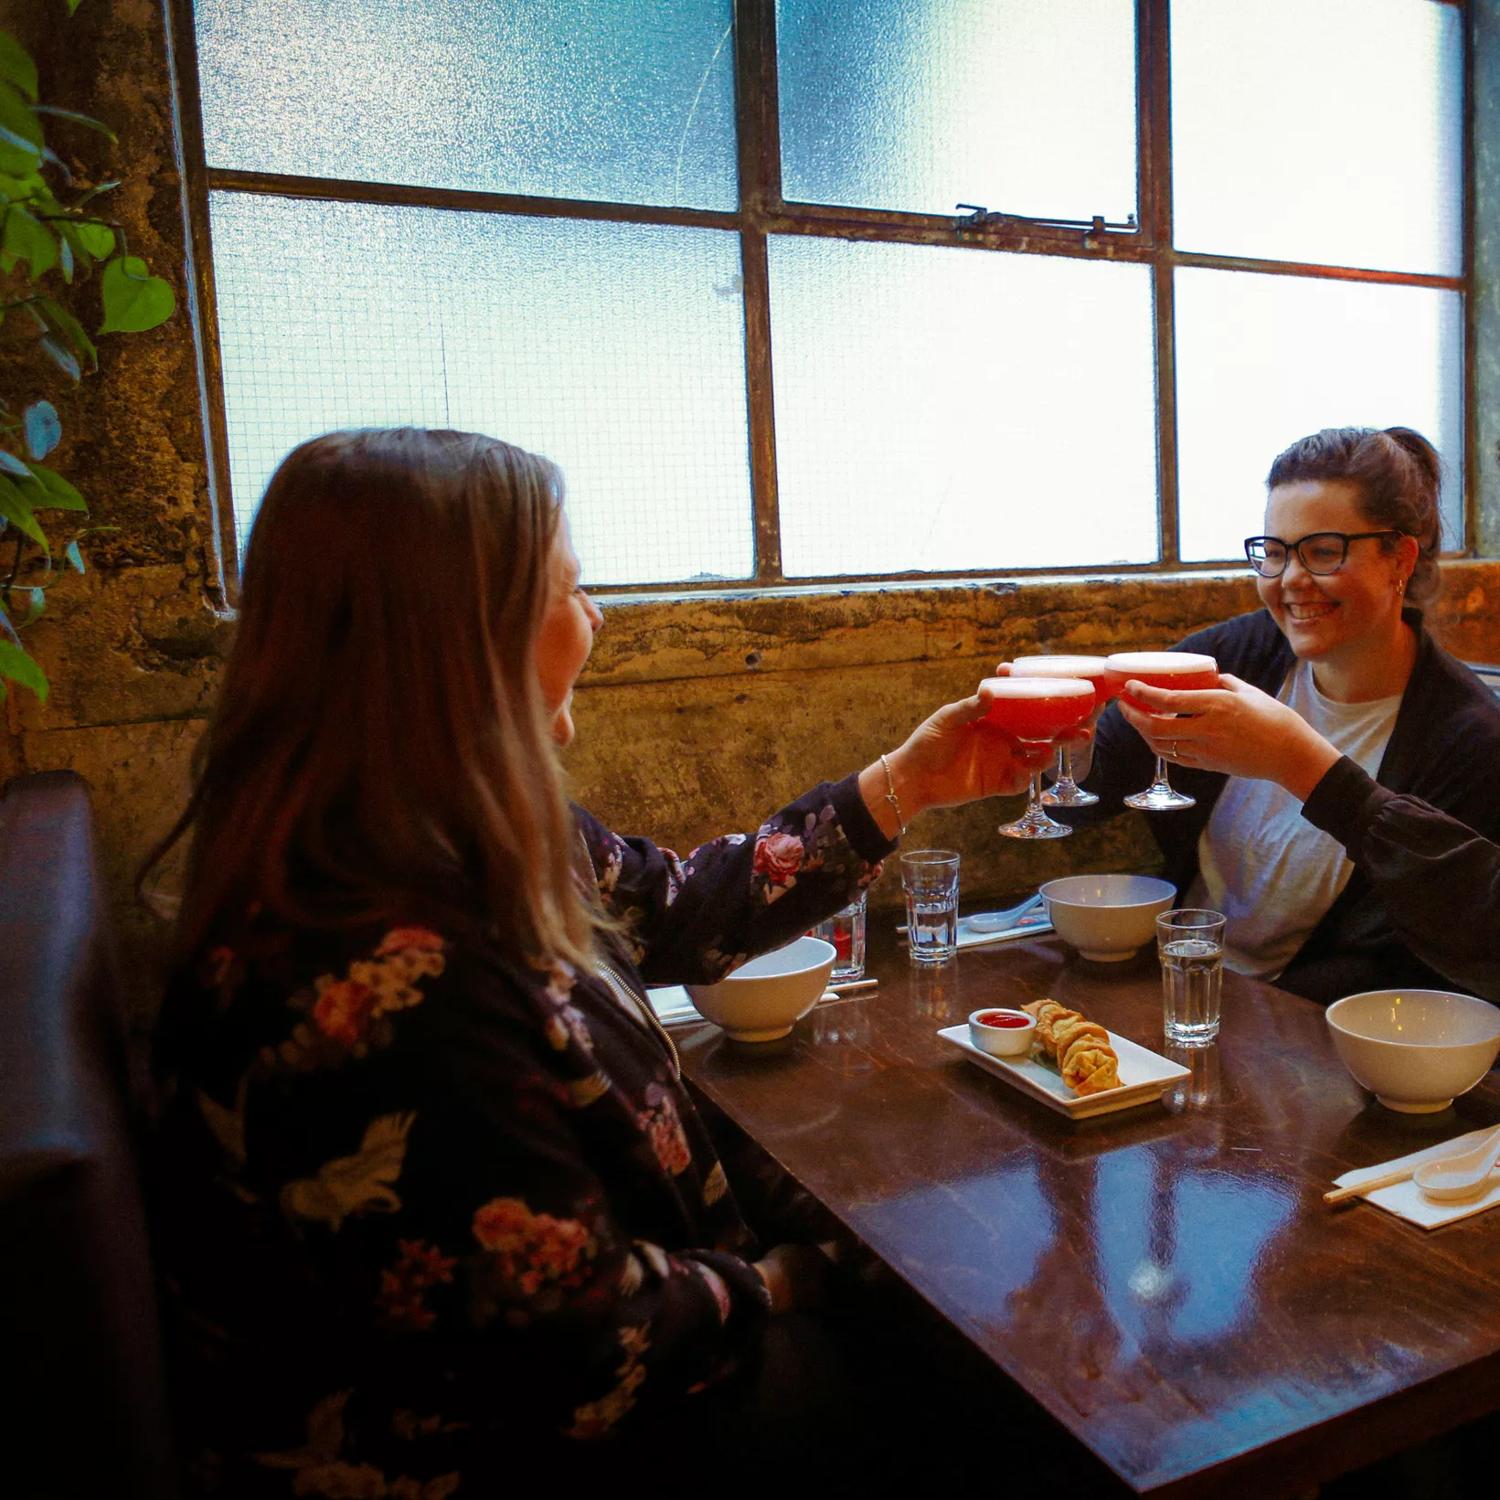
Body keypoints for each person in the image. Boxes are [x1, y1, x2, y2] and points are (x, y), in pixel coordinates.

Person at [145, 427, 1052, 1495]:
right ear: (461, 636)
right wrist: (787, 1281)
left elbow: (679, 911)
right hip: (523, 1451)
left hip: (623, 1354)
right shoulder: (377, 984)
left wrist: (912, 778)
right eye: (572, 588)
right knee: (1001, 1395)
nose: (598, 618)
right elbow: (580, 1360)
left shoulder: (443, 822)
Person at [1074, 425, 1500, 1004]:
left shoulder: (1467, 740)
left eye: (1323, 551)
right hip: (1179, 985)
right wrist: (1056, 743)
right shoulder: (1242, 657)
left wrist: (1294, 762)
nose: (1291, 581)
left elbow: (1465, 944)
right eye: (1273, 555)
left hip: (1317, 1035)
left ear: (1399, 556)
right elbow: (1091, 782)